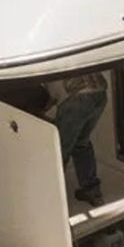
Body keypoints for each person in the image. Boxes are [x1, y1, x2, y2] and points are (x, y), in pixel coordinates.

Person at [48, 72, 108, 205]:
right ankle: (92, 192)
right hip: (100, 94)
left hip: (75, 97)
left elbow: (48, 97)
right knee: (81, 142)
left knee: (58, 150)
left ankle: (52, 199)